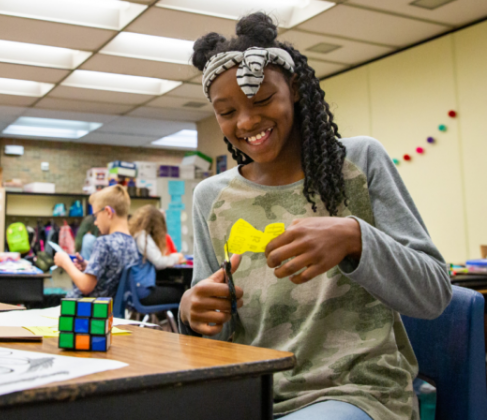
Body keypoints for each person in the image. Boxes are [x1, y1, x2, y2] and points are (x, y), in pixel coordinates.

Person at [179, 13, 451, 420]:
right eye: (226, 111)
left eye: (262, 99)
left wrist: (355, 238)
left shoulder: (358, 163)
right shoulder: (210, 197)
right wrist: (190, 312)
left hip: (358, 390)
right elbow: (213, 329)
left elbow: (433, 294)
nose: (247, 121)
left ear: (296, 90)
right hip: (250, 392)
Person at [54, 185, 139, 298]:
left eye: (96, 216)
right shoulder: (131, 242)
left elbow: (85, 286)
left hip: (87, 310)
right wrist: (89, 265)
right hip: (108, 308)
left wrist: (65, 262)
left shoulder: (103, 242)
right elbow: (112, 271)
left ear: (108, 212)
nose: (95, 222)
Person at [129, 204, 187, 305]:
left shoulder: (135, 235)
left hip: (136, 291)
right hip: (143, 292)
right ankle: (176, 320)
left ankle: (170, 320)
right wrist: (177, 257)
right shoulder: (142, 237)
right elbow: (159, 262)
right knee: (184, 293)